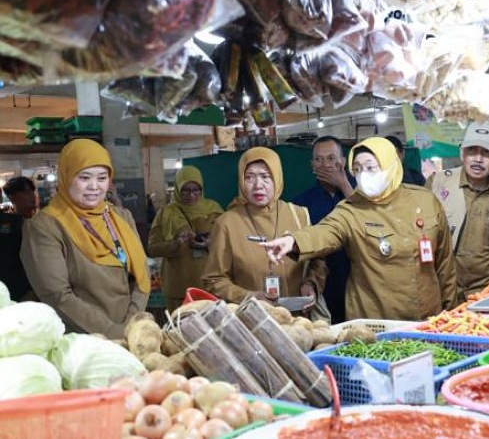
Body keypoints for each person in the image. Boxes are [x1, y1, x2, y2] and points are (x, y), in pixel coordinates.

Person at [262, 137, 459, 321]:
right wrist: (293, 242)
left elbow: (445, 265)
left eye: (371, 168)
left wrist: (451, 314)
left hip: (428, 317)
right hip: (376, 321)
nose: (364, 175)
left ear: (390, 165)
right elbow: (326, 231)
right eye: (357, 169)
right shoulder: (352, 209)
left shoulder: (425, 200)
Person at [20, 139, 150, 339]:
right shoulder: (45, 226)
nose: (94, 186)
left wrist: (132, 324)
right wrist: (113, 333)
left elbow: (142, 273)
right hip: (82, 339)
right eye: (84, 177)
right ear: (66, 177)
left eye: (102, 178)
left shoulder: (121, 217)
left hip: (130, 333)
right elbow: (57, 295)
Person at [201, 147, 329, 320]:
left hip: (299, 321)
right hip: (251, 322)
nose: (258, 185)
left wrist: (311, 284)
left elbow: (317, 260)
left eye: (265, 176)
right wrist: (248, 296)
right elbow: (213, 279)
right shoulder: (227, 223)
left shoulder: (299, 215)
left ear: (277, 177)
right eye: (249, 177)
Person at [426, 123, 489, 296]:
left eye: (487, 152)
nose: (478, 159)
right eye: (472, 150)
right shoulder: (437, 184)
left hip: (488, 292)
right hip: (442, 290)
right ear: (461, 152)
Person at [292, 136, 355, 323]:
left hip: (358, 279)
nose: (325, 165)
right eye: (319, 159)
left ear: (342, 162)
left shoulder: (360, 192)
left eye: (331, 159)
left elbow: (365, 222)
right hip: (323, 284)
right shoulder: (301, 203)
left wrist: (344, 185)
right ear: (312, 164)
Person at [147, 166, 224, 311]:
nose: (191, 195)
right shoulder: (166, 214)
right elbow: (152, 249)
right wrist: (176, 243)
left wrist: (210, 242)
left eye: (196, 190)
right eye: (186, 190)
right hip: (178, 289)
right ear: (177, 189)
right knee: (180, 328)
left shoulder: (214, 210)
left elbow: (227, 243)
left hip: (210, 285)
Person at [0, 183, 34, 301]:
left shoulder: (15, 221)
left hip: (19, 287)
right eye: (27, 192)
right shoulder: (15, 220)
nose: (31, 196)